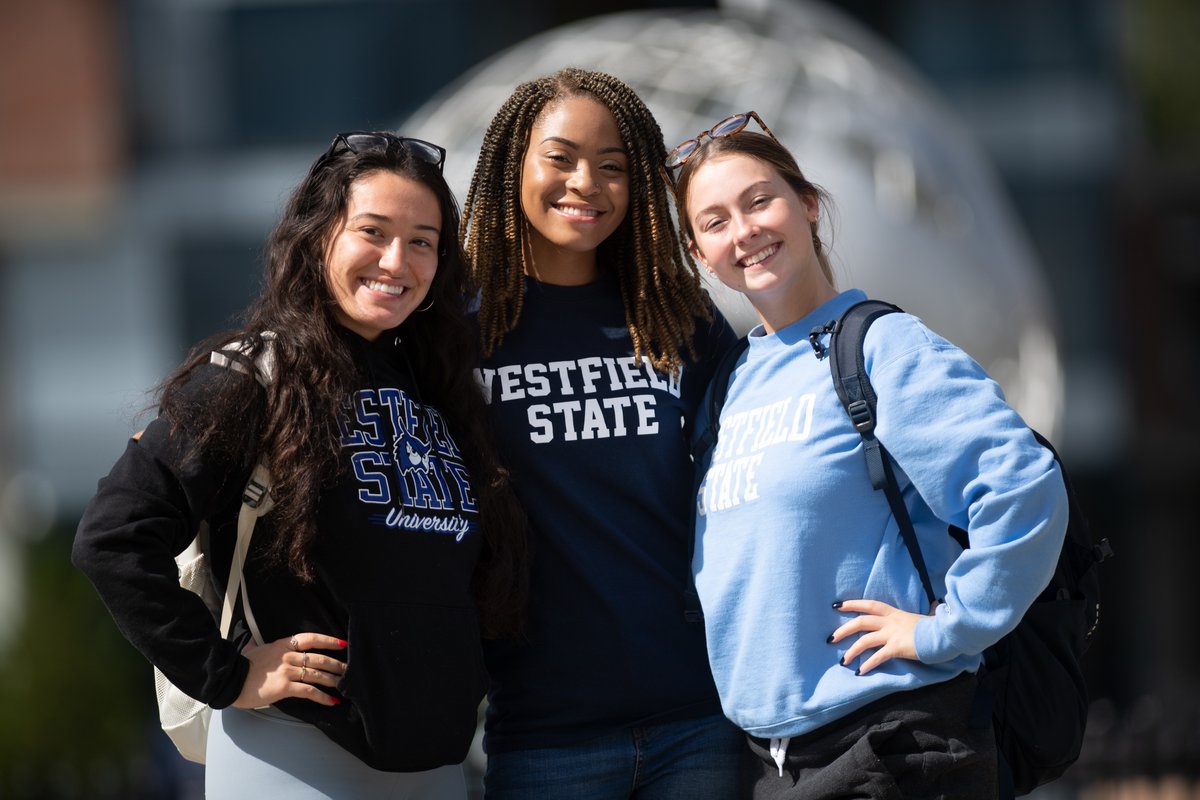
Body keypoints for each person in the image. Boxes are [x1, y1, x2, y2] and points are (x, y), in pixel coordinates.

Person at [72, 131, 529, 799]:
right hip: (292, 754)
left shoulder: (445, 394)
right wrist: (226, 673)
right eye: (371, 232)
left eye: (422, 241)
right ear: (319, 239)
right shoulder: (254, 375)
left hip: (434, 762)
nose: (396, 259)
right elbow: (113, 538)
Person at [671, 113, 1069, 799]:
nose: (745, 232)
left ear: (810, 204)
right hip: (768, 766)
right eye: (714, 222)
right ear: (699, 253)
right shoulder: (729, 385)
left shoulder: (882, 348)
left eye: (760, 200)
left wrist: (949, 628)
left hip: (893, 749)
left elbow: (1024, 486)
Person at [459, 67, 744, 798]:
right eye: (560, 158)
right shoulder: (457, 331)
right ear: (511, 164)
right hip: (544, 734)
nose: (586, 182)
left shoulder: (675, 317)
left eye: (613, 166)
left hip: (698, 720)